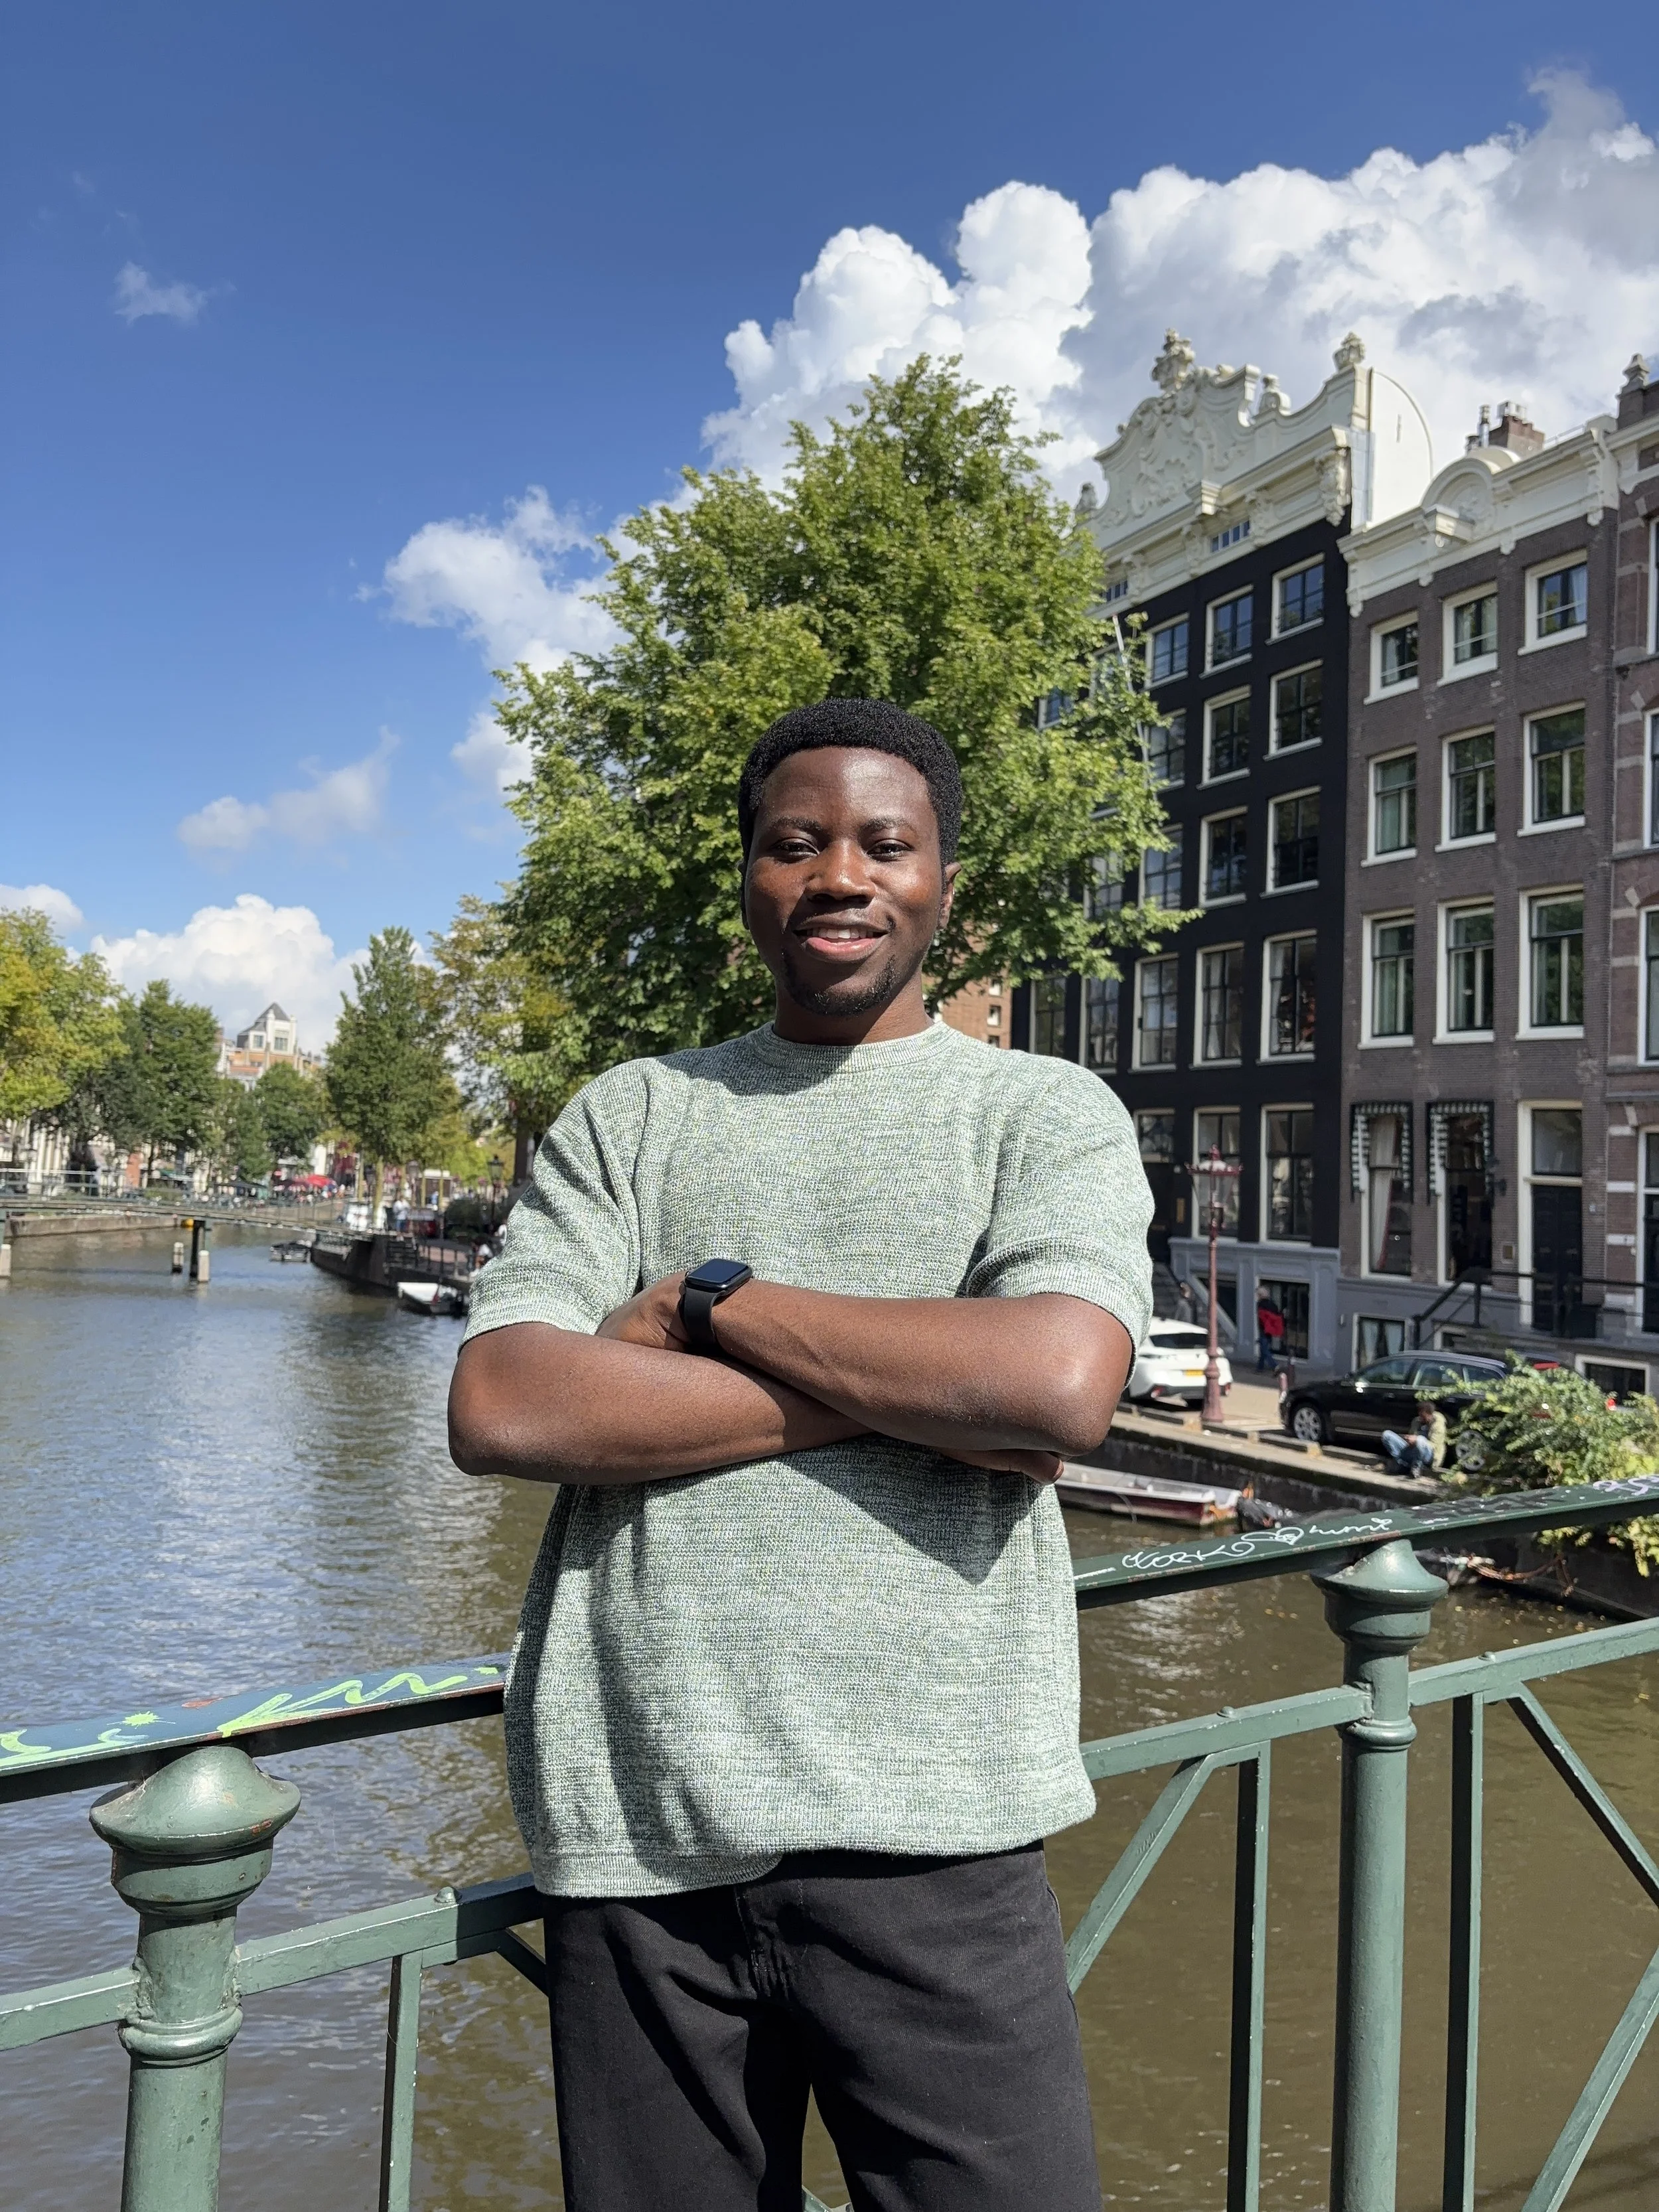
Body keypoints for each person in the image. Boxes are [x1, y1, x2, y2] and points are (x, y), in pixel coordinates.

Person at [448, 697, 1153, 2212]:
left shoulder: (1046, 1113)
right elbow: (503, 1401)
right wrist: (927, 1386)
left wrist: (716, 1304)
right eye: (796, 842)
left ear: (943, 885)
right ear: (752, 883)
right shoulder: (632, 1116)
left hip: (940, 1836)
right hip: (639, 1840)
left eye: (884, 844)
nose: (841, 874)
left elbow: (1058, 1385)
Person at [1382, 1396, 1447, 1476]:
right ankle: (1401, 1463)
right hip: (1413, 1451)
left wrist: (1417, 1440)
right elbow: (1412, 1436)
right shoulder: (1416, 1421)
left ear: (1430, 1414)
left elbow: (1434, 1446)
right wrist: (1409, 1439)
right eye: (1420, 1415)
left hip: (1429, 1455)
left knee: (1420, 1439)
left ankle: (1416, 1468)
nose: (1421, 1418)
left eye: (1423, 1416)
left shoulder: (1438, 1425)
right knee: (1387, 1435)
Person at [1255, 1291, 1283, 1371]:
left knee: (1264, 1349)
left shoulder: (1261, 1305)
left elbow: (1261, 1318)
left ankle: (1274, 1365)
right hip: (1271, 1329)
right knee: (1263, 1348)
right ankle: (1260, 1367)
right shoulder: (1273, 1305)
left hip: (1264, 1329)